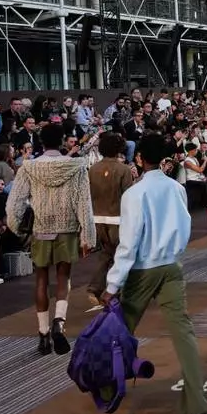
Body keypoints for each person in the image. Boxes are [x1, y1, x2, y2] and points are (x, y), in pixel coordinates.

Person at [101, 133, 207, 414]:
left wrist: (112, 285)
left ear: (139, 159)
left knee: (120, 332)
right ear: (163, 159)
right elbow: (186, 227)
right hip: (171, 267)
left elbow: (128, 244)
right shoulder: (176, 188)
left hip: (141, 271)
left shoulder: (134, 195)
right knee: (184, 335)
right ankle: (196, 407)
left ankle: (107, 389)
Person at [7, 123, 94, 355]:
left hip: (40, 228)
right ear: (64, 141)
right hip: (67, 228)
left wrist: (17, 228)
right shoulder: (76, 167)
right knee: (64, 276)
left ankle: (43, 334)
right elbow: (84, 204)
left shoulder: (28, 167)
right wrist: (88, 236)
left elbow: (15, 202)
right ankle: (59, 322)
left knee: (41, 280)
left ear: (41, 142)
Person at [87, 132, 134, 307]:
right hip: (118, 219)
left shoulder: (93, 169)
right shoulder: (123, 170)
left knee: (106, 253)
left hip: (98, 218)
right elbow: (129, 197)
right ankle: (117, 291)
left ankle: (94, 288)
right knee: (122, 255)